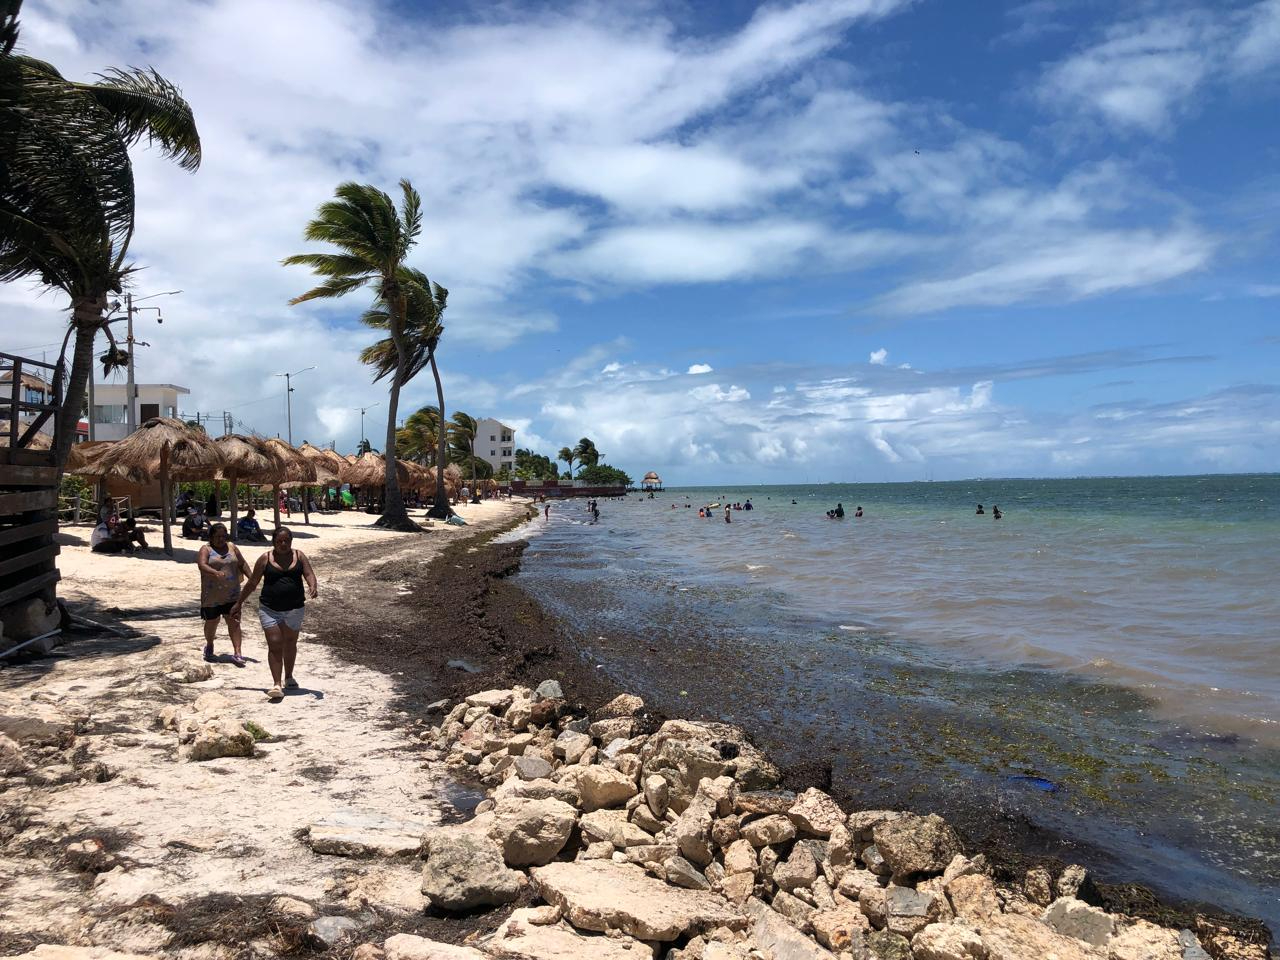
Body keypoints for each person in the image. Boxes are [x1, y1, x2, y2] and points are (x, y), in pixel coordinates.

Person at [234, 527, 318, 701]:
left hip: (295, 608)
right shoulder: (265, 559)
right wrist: (239, 602)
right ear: (273, 542)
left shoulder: (299, 556)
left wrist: (312, 585)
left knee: (290, 642)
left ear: (291, 541)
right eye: (279, 541)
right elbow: (252, 583)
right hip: (269, 608)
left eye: (286, 540)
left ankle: (289, 676)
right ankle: (276, 684)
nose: (283, 544)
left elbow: (309, 574)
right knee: (275, 643)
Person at [197, 524, 251, 667]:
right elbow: (201, 565)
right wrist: (215, 573)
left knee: (234, 622)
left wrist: (252, 577)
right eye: (217, 537)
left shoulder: (232, 547)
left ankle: (238, 652)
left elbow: (242, 563)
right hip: (212, 596)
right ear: (211, 537)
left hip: (232, 594)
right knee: (212, 622)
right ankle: (209, 644)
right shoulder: (206, 549)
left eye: (223, 536)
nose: (221, 539)